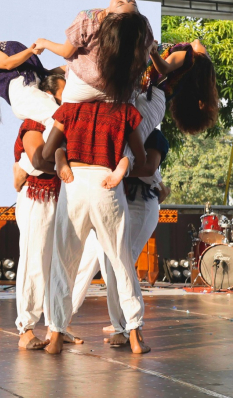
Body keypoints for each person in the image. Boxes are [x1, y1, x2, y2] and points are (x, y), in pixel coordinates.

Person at [42, 98, 150, 355]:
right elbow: (143, 159)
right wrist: (124, 163)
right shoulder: (125, 109)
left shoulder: (69, 108)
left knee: (63, 263)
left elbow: (46, 154)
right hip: (107, 181)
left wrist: (60, 156)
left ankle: (56, 336)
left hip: (74, 182)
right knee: (121, 261)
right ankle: (134, 336)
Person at [70, 129, 171, 344]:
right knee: (88, 261)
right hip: (113, 201)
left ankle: (126, 327)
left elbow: (149, 168)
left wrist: (114, 170)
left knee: (118, 264)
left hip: (140, 204)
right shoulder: (116, 131)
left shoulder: (153, 136)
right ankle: (61, 321)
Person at [12, 72, 65, 350]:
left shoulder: (64, 119)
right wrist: (69, 165)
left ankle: (57, 326)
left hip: (60, 195)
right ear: (51, 92)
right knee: (35, 262)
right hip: (39, 196)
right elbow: (36, 158)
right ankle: (26, 328)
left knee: (58, 265)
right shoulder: (35, 120)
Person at [144, 39, 219, 135]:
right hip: (153, 103)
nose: (204, 46)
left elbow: (164, 69)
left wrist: (153, 52)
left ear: (201, 60)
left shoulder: (189, 55)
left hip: (147, 98)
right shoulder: (184, 66)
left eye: (207, 53)